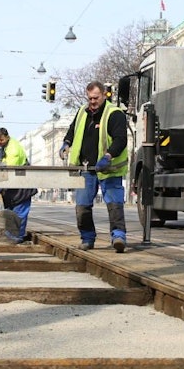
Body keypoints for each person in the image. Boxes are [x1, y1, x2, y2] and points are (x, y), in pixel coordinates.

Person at [59, 81, 129, 252]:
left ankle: (118, 237)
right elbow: (72, 130)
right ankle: (87, 238)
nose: (92, 101)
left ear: (104, 95)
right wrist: (66, 143)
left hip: (109, 169)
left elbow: (121, 139)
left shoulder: (114, 114)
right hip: (87, 169)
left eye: (96, 98)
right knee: (82, 207)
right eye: (90, 98)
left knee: (114, 204)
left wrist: (108, 156)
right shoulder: (83, 112)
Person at [0, 127, 37, 243]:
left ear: (6, 137)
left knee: (19, 213)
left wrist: (0, 187)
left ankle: (17, 236)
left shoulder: (13, 150)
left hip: (22, 186)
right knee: (11, 212)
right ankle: (10, 234)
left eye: (1, 139)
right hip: (13, 187)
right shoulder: (3, 147)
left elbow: (9, 172)